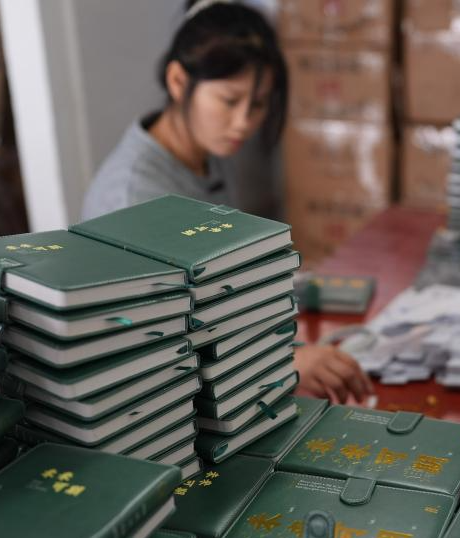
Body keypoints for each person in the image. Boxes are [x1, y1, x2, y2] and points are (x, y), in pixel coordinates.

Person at [82, 0, 372, 405]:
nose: (244, 123)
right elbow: (152, 352)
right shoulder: (132, 197)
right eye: (230, 101)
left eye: (258, 104)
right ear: (178, 81)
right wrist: (281, 361)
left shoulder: (209, 154)